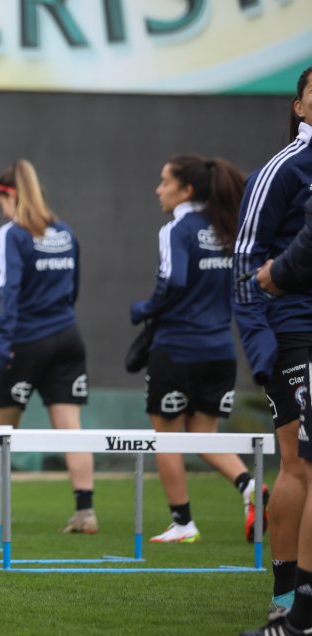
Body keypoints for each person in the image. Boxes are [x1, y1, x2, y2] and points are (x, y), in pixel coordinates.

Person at [127, 155, 266, 544]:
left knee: (166, 438)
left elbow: (173, 282)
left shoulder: (176, 229)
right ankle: (249, 486)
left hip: (177, 350)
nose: (158, 189)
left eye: (164, 181)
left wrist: (143, 310)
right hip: (221, 350)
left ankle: (183, 524)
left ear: (186, 189)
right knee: (203, 434)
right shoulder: (228, 227)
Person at [0, 160, 97, 534]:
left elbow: (7, 292)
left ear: (7, 195)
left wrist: (5, 345)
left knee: (0, 427)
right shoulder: (65, 232)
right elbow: (76, 286)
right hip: (68, 336)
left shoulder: (12, 234)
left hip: (26, 341)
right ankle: (85, 511)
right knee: (71, 427)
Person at [234, 65, 312, 620]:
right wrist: (263, 351)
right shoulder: (283, 169)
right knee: (302, 465)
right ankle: (287, 602)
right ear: (300, 107)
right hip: (297, 332)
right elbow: (244, 267)